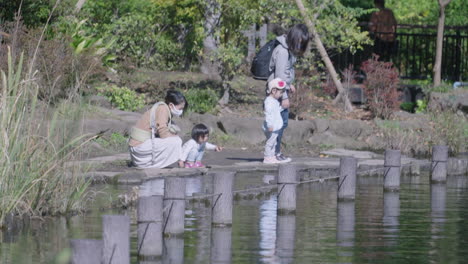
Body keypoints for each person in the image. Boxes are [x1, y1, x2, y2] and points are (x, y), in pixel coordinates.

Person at [267, 24, 309, 162]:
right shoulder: (283, 52)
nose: (299, 46)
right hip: (277, 95)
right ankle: (272, 154)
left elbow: (284, 73)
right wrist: (284, 97)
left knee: (281, 124)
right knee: (278, 124)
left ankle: (275, 153)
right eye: (299, 42)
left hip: (280, 92)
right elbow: (279, 77)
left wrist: (289, 85)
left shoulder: (287, 50)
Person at [128, 90, 187, 168]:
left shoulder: (164, 109)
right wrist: (174, 135)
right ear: (171, 105)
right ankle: (152, 164)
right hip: (138, 148)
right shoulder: (163, 109)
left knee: (175, 140)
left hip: (137, 147)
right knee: (176, 141)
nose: (181, 111)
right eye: (180, 109)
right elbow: (163, 133)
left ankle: (149, 162)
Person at [263, 78, 290, 164]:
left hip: (275, 126)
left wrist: (282, 108)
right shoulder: (269, 102)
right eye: (280, 93)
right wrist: (270, 125)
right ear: (274, 91)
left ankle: (271, 156)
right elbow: (268, 114)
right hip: (272, 127)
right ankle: (267, 157)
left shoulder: (273, 101)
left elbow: (276, 110)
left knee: (274, 142)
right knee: (270, 142)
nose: (281, 95)